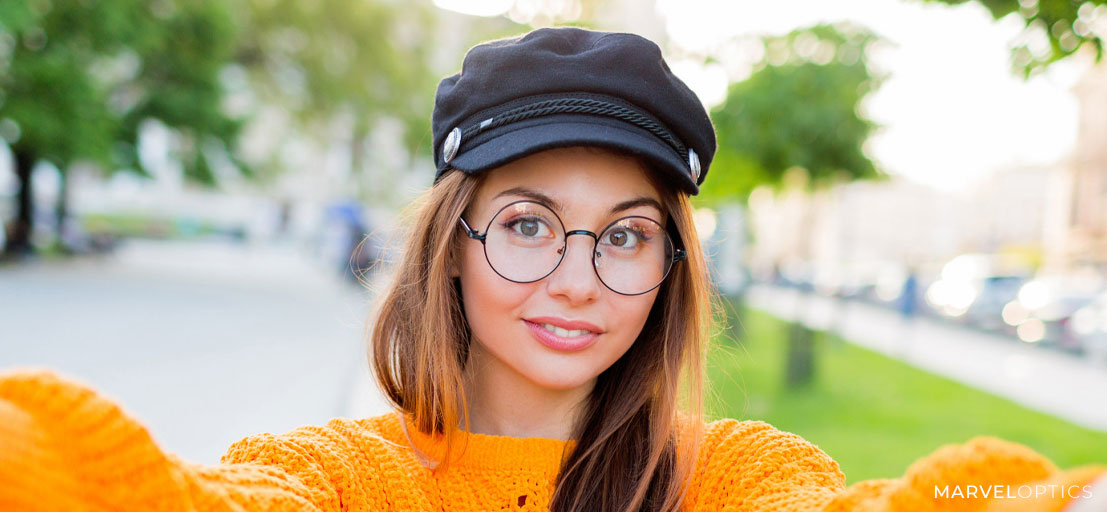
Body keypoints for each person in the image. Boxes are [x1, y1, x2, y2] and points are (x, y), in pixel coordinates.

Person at [1, 27, 1105, 512]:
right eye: (530, 223)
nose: (580, 277)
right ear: (452, 247)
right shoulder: (342, 476)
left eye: (626, 234)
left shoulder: (725, 477)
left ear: (670, 270)